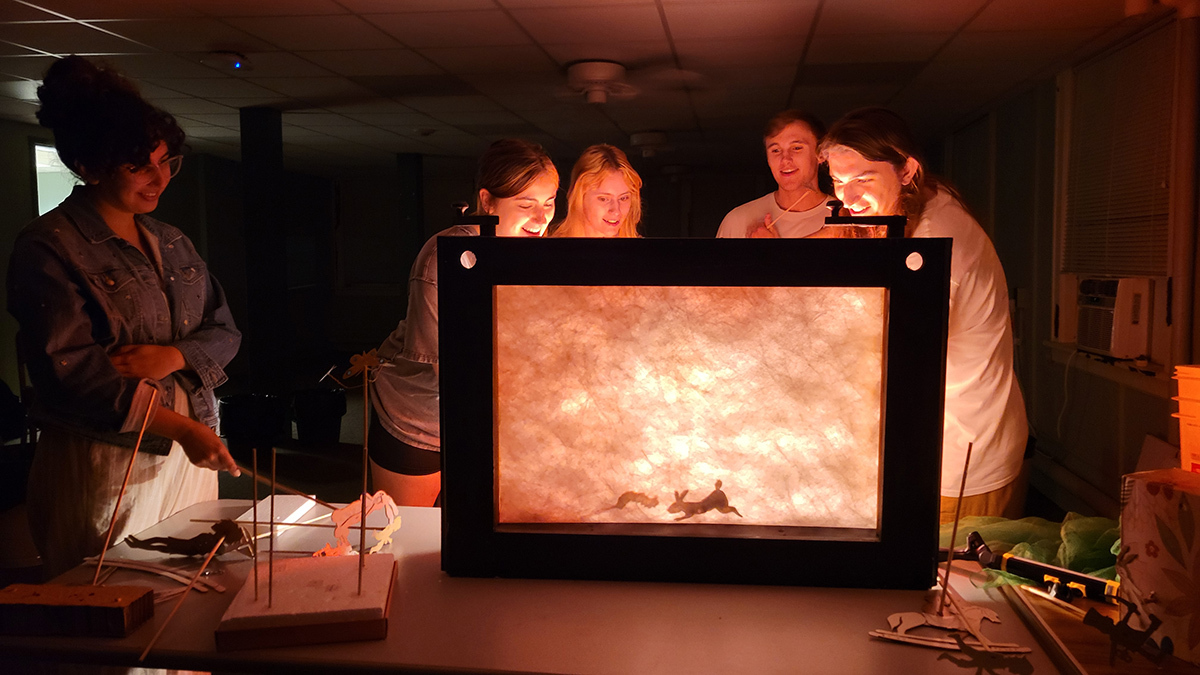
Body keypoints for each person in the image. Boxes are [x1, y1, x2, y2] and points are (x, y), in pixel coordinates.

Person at [8, 56, 241, 577]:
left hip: (187, 448)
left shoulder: (172, 241)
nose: (159, 178)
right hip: (107, 459)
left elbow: (224, 330)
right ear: (89, 167)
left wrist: (174, 354)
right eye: (138, 166)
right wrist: (178, 426)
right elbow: (71, 374)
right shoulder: (48, 247)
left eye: (166, 161)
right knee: (113, 604)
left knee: (191, 596)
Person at [818, 107, 1029, 522]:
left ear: (906, 169)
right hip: (942, 442)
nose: (848, 197)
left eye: (863, 178)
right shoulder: (914, 207)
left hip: (964, 460)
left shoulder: (936, 241)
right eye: (839, 182)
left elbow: (899, 353)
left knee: (946, 582)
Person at [369, 139, 558, 506]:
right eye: (526, 204)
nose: (541, 219)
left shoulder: (531, 252)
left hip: (485, 425)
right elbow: (452, 370)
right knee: (407, 539)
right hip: (419, 425)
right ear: (487, 202)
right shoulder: (446, 259)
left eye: (549, 203)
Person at [716, 110, 831, 239]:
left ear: (821, 154)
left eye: (796, 148)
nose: (785, 159)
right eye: (776, 150)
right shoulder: (738, 220)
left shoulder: (845, 221)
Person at [550, 144, 642, 238]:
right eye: (604, 199)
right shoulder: (553, 249)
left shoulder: (641, 250)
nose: (616, 211)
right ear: (580, 197)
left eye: (623, 198)